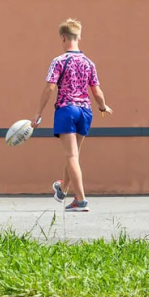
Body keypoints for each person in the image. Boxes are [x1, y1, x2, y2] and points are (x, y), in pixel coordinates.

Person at [31, 18, 111, 212]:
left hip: (66, 109)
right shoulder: (89, 63)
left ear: (63, 38)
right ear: (79, 37)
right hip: (85, 111)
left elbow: (50, 88)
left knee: (71, 155)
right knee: (73, 155)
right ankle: (63, 188)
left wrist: (38, 113)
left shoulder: (59, 61)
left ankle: (81, 200)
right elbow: (97, 92)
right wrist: (103, 107)